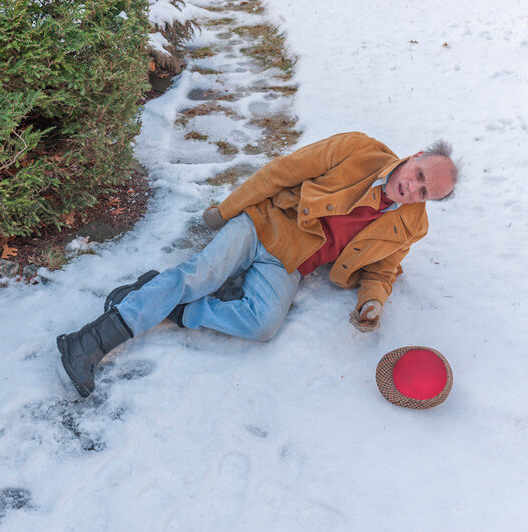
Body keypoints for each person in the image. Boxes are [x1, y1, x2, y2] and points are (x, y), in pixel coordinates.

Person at [57, 131, 460, 397]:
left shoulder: (410, 225)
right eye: (419, 174)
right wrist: (226, 210)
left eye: (425, 192)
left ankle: (159, 301)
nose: (413, 188)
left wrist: (373, 301)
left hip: (290, 264)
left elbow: (383, 270)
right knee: (201, 275)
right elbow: (282, 171)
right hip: (262, 223)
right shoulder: (357, 149)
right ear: (416, 156)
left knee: (261, 325)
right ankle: (87, 342)